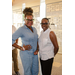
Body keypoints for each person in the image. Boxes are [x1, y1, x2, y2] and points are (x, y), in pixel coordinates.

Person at [12, 7, 39, 75]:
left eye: (31, 19)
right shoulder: (21, 29)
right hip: (26, 54)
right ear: (24, 20)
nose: (30, 21)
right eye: (28, 20)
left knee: (35, 71)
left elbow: (36, 40)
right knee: (28, 72)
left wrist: (37, 49)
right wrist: (21, 48)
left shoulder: (34, 29)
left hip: (35, 54)